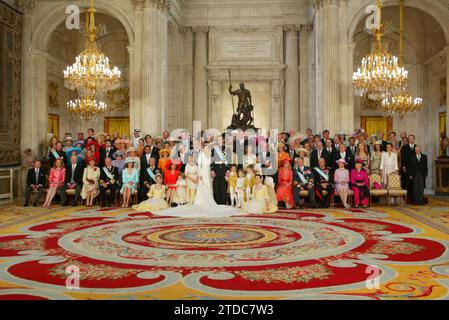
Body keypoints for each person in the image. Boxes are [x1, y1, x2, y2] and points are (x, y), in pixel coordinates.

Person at [152, 144, 242, 218]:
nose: (206, 149)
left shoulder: (210, 156)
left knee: (209, 188)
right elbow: (199, 166)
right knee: (203, 187)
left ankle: (210, 201)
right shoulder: (201, 155)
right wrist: (200, 175)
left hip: (208, 174)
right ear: (203, 149)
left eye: (208, 148)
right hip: (203, 174)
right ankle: (202, 203)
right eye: (205, 148)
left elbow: (211, 166)